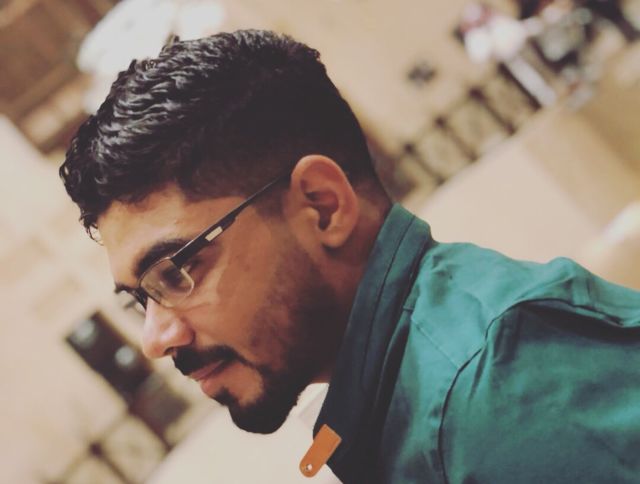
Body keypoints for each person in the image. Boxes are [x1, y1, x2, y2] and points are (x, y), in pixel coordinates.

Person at [59, 30, 640, 483]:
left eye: (176, 271)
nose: (155, 339)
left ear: (322, 206)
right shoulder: (421, 391)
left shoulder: (498, 400)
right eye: (140, 299)